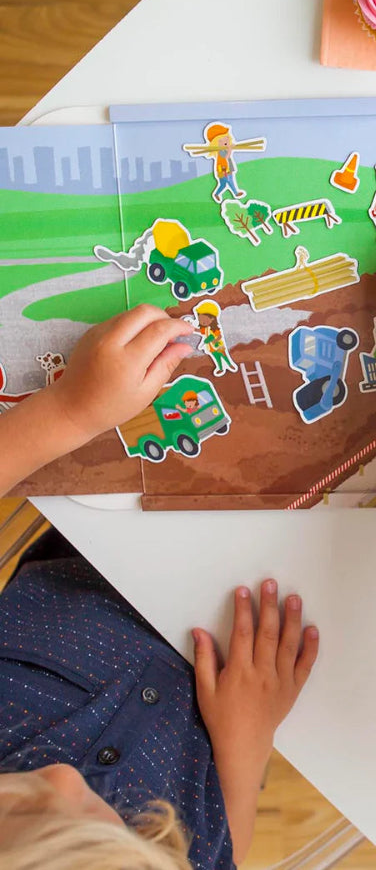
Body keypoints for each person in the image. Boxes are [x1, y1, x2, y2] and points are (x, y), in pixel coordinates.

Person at [0, 305, 319, 869]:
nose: (66, 779)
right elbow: (223, 855)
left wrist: (70, 411)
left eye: (21, 806)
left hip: (97, 543)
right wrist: (245, 749)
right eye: (112, 823)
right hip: (253, 628)